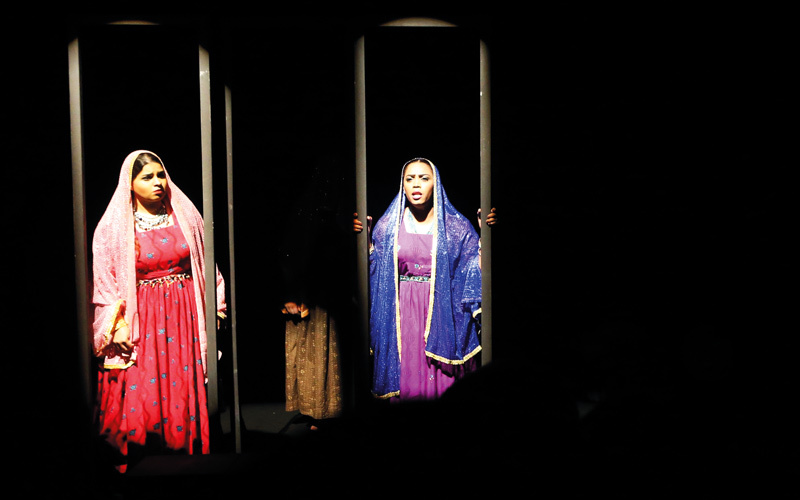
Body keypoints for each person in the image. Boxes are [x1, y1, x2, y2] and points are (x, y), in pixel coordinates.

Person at [91, 150, 226, 473]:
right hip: (142, 318)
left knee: (181, 387)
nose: (157, 183)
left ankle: (185, 460)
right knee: (141, 390)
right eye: (147, 177)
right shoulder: (113, 227)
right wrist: (117, 324)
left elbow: (205, 265)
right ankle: (141, 463)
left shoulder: (186, 216)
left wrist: (216, 307)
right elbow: (104, 278)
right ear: (130, 183)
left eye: (160, 175)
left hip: (183, 316)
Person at [353, 158, 496, 401]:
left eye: (423, 178)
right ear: (403, 185)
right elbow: (376, 276)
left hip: (441, 312)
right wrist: (365, 243)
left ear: (435, 184)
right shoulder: (388, 226)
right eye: (410, 179)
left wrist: (487, 237)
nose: (416, 184)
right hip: (403, 316)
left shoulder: (456, 227)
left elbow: (473, 271)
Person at [279, 157, 349, 429]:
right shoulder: (304, 211)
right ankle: (315, 410)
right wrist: (291, 292)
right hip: (309, 291)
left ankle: (330, 412)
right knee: (310, 350)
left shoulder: (340, 215)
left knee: (332, 350)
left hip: (336, 293)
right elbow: (291, 249)